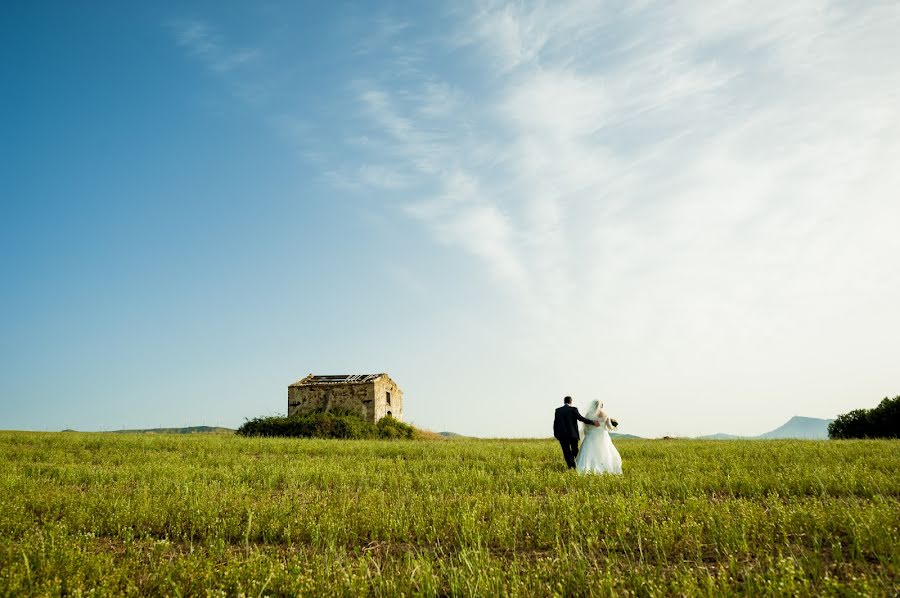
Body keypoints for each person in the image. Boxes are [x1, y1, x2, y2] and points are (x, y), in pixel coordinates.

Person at [575, 400, 622, 474]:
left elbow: (586, 425)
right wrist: (614, 427)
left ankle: (587, 468)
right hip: (602, 436)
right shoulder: (605, 414)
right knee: (604, 451)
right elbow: (609, 427)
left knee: (589, 451)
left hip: (591, 435)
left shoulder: (588, 414)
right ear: (601, 406)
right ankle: (605, 468)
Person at [553, 396, 599, 469]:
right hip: (573, 434)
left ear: (564, 401)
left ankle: (570, 466)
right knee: (575, 450)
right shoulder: (573, 409)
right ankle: (575, 465)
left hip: (562, 435)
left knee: (566, 451)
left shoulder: (558, 410)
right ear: (571, 401)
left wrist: (556, 434)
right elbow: (581, 418)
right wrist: (592, 422)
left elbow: (555, 423)